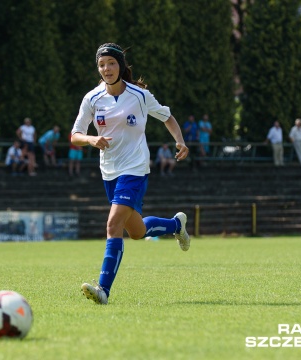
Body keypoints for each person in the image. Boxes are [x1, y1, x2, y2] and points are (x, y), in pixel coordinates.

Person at [71, 43, 191, 305]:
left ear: (120, 66)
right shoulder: (92, 98)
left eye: (111, 63)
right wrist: (92, 140)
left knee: (113, 224)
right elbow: (75, 135)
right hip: (109, 172)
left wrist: (180, 141)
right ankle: (176, 225)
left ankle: (103, 290)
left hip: (135, 169)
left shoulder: (139, 95)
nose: (106, 69)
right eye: (102, 65)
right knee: (136, 232)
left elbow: (167, 117)